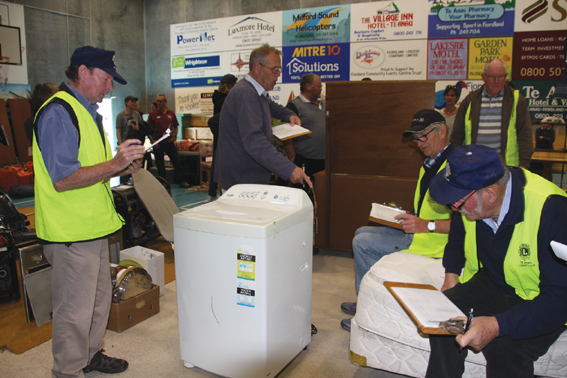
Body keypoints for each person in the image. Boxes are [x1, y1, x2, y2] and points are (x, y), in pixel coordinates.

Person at [32, 46, 145, 377]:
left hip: (91, 227)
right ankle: (68, 370)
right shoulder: (58, 113)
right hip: (69, 232)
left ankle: (90, 355)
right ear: (83, 73)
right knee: (73, 310)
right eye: (107, 79)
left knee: (97, 301)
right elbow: (64, 179)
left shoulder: (86, 112)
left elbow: (91, 168)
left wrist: (121, 168)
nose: (110, 88)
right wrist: (114, 164)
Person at [425, 144, 567, 378]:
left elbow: (561, 299)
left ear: (491, 194)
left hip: (544, 297)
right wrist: (452, 271)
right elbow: (459, 228)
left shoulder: (553, 210)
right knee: (445, 319)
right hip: (496, 282)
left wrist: (496, 325)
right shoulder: (474, 198)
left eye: (457, 203)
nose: (454, 209)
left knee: (505, 345)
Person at [340, 109, 453, 331]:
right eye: (416, 138)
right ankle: (367, 298)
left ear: (442, 131)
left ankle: (369, 309)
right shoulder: (432, 162)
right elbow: (430, 207)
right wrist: (412, 215)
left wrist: (426, 225)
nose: (419, 143)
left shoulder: (454, 168)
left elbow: (469, 223)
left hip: (433, 243)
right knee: (361, 232)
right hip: (421, 233)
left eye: (424, 136)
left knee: (361, 243)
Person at [214, 44, 311, 191]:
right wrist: (288, 169)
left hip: (248, 178)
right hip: (242, 182)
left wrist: (289, 114)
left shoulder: (255, 91)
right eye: (275, 70)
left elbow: (271, 105)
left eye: (279, 70)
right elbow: (254, 141)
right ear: (257, 67)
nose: (278, 74)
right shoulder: (246, 94)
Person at [450, 59, 533, 168]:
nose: (496, 81)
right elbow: (457, 136)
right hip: (475, 167)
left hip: (507, 169)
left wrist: (524, 166)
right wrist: (457, 162)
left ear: (506, 76)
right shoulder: (470, 100)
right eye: (492, 77)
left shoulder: (517, 100)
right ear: (483, 77)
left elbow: (525, 136)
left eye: (501, 76)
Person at [285, 73, 326, 194]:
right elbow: (287, 135)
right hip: (305, 160)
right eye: (319, 85)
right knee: (304, 194)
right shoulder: (294, 106)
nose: (321, 88)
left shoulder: (323, 104)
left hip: (324, 161)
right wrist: (293, 158)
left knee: (321, 195)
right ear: (309, 86)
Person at [147, 94, 191, 188]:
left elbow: (175, 126)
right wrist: (153, 142)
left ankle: (182, 181)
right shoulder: (153, 115)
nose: (158, 103)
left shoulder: (171, 113)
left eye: (160, 101)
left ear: (165, 102)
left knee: (177, 161)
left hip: (169, 142)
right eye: (157, 101)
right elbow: (147, 130)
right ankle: (163, 182)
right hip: (158, 143)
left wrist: (174, 136)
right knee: (160, 164)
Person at [207, 74, 237, 202]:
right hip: (225, 137)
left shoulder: (217, 97)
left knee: (216, 166)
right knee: (224, 167)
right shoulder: (227, 99)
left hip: (217, 136)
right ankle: (223, 193)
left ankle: (212, 193)